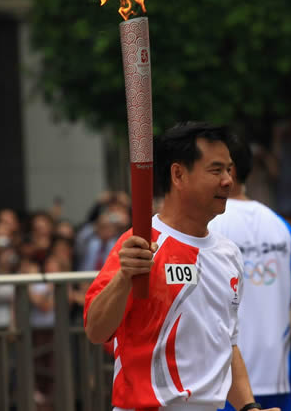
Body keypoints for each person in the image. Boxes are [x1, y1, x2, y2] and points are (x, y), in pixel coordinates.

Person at [84, 122, 279, 411]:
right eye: (216, 170)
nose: (228, 180)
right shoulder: (140, 244)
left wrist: (249, 407)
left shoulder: (228, 254)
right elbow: (96, 330)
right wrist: (125, 277)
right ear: (178, 174)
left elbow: (227, 343)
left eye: (229, 169)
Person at [208, 136, 291, 411]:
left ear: (229, 170)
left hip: (224, 382)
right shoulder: (280, 225)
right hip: (276, 377)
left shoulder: (207, 226)